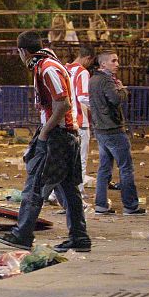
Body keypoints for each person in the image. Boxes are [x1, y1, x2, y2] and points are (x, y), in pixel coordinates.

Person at [0, 31, 91, 252]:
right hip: (64, 135)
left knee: (35, 185)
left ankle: (23, 234)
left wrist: (45, 133)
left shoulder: (47, 68)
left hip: (58, 136)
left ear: (23, 51)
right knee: (67, 189)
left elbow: (63, 104)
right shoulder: (47, 65)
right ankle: (79, 237)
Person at [90, 50, 146, 215]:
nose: (117, 64)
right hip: (113, 129)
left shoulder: (93, 80)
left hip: (100, 129)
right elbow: (115, 100)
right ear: (103, 64)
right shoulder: (107, 81)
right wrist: (123, 90)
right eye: (113, 61)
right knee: (126, 168)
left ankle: (100, 205)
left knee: (104, 168)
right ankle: (130, 206)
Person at [53, 44, 95, 210]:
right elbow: (84, 96)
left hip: (65, 121)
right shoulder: (83, 72)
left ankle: (54, 193)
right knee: (80, 162)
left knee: (63, 162)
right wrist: (99, 108)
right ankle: (78, 197)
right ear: (88, 58)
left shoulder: (63, 69)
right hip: (80, 122)